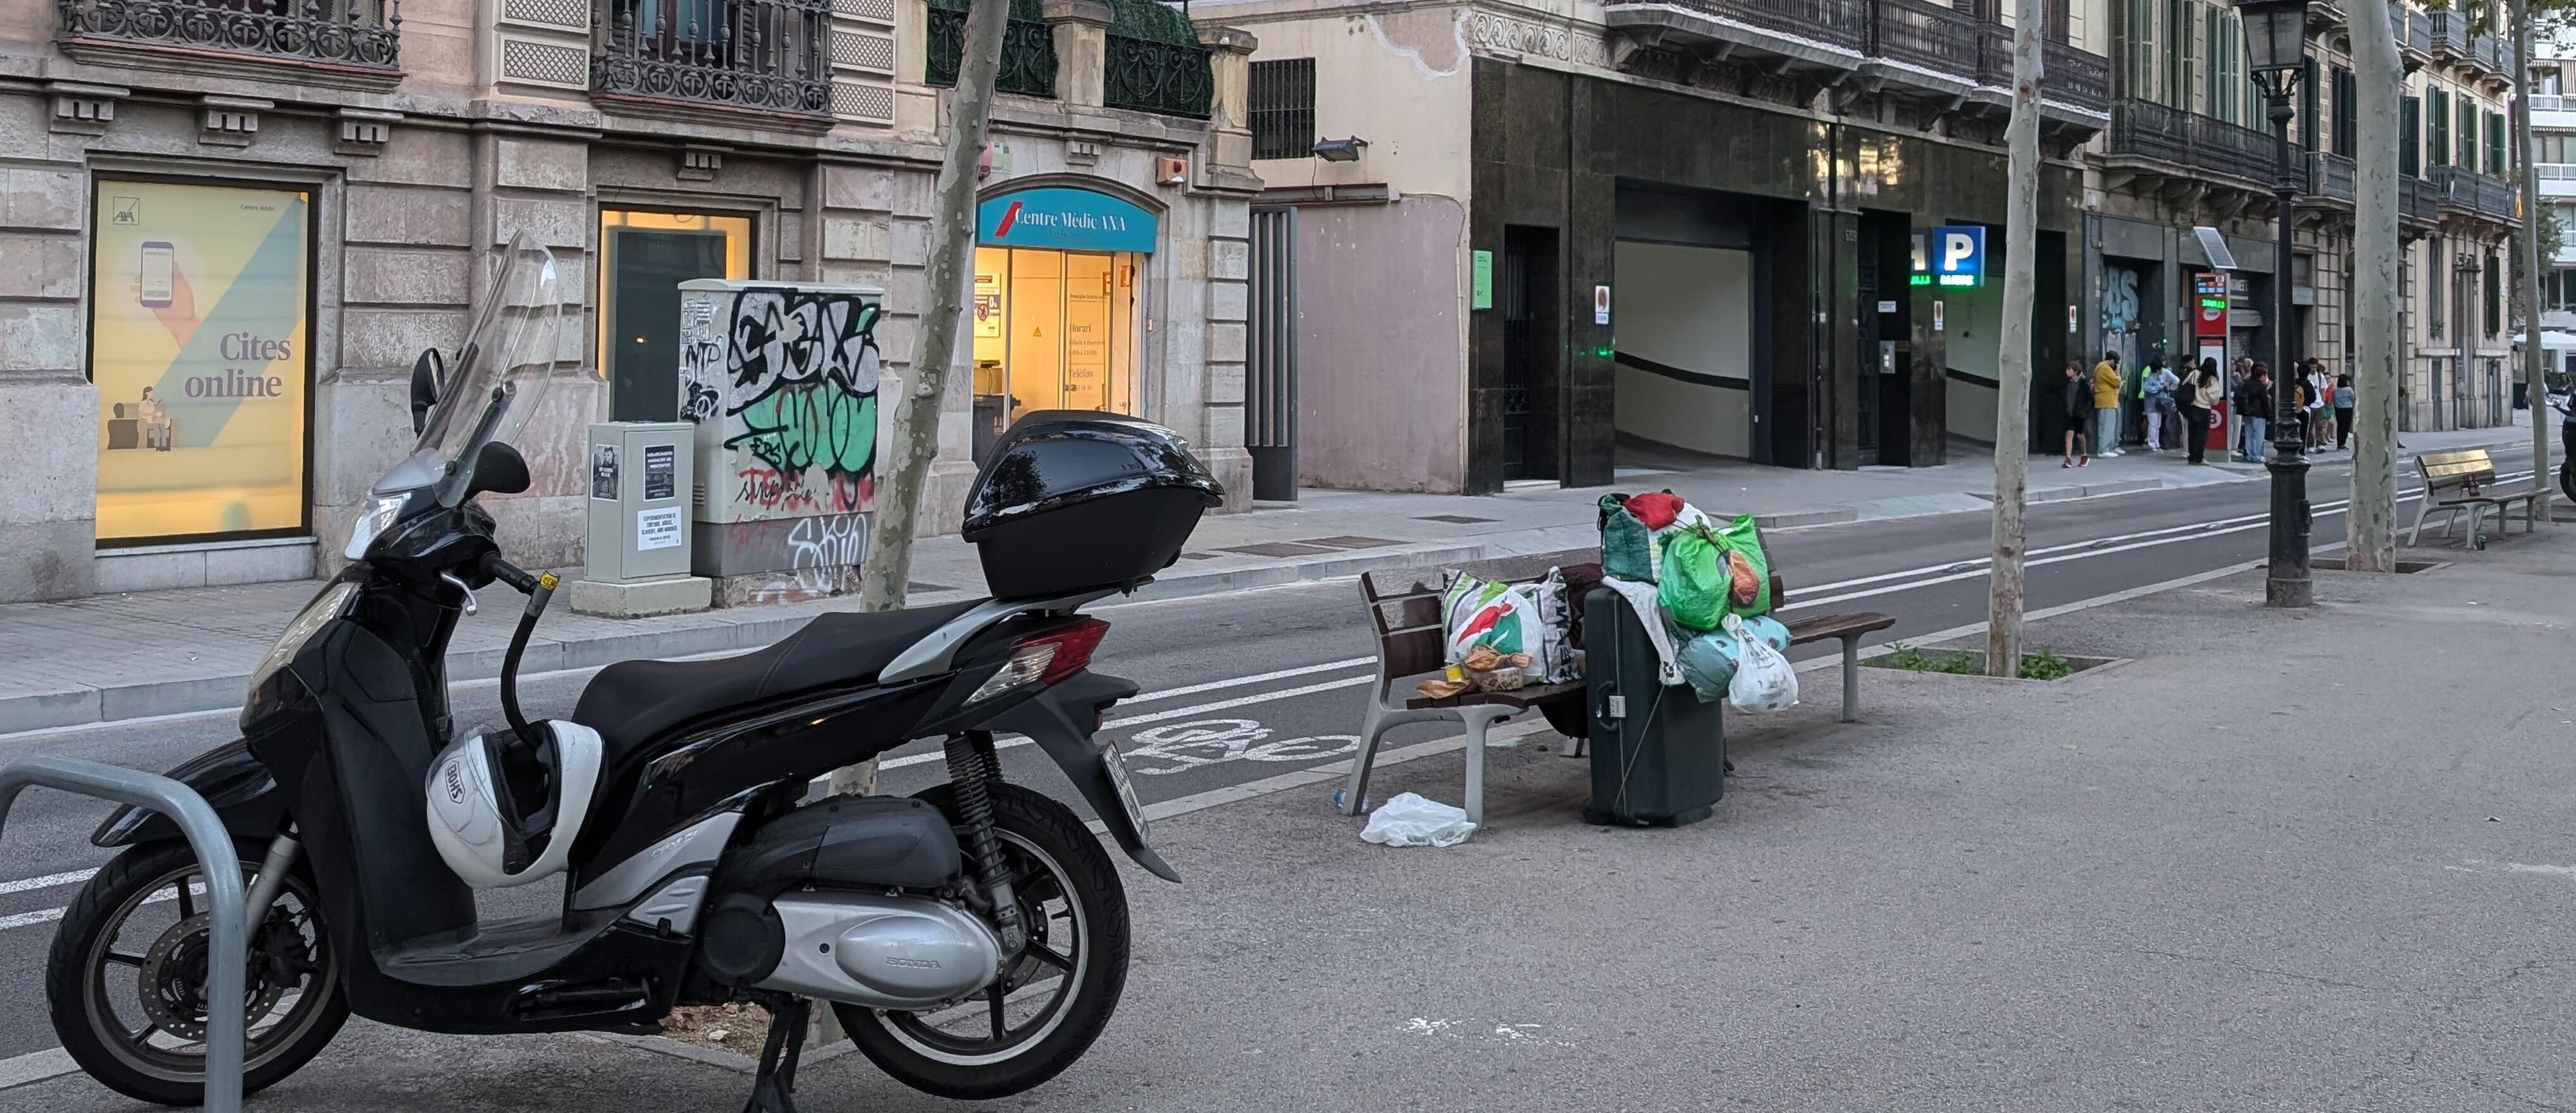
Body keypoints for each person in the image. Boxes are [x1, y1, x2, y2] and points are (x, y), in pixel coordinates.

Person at [2184, 357, 2222, 465]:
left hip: (2193, 406)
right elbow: (2214, 399)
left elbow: (2185, 385)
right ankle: (2198, 458)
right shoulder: (2211, 379)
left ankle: (2191, 457)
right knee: (2202, 435)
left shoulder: (2195, 373)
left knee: (2192, 434)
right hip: (2204, 409)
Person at [2141, 358, 2181, 452]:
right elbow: (2147, 388)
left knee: (2158, 424)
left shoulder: (2157, 377)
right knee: (2153, 424)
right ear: (2157, 369)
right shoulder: (2150, 378)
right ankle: (2152, 443)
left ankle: (2156, 442)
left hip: (2158, 404)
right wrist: (2159, 387)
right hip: (2151, 405)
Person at [2092, 350, 2124, 457]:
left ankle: (2109, 448)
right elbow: (2116, 381)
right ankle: (2103, 450)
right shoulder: (2105, 368)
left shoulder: (2100, 367)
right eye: (2116, 362)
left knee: (2109, 426)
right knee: (2106, 427)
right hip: (2106, 401)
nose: (2116, 365)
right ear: (2112, 360)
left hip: (2108, 401)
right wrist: (2118, 372)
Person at [2238, 362, 2273, 463]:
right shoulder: (2261, 387)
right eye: (2264, 375)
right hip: (2259, 413)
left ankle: (2250, 454)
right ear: (2261, 375)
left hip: (2247, 412)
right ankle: (2258, 455)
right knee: (2259, 435)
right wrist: (2270, 415)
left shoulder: (2246, 384)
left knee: (2249, 434)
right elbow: (2265, 401)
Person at [2062, 360, 2093, 467]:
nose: (2067, 371)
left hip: (2080, 413)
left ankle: (2084, 455)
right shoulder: (2068, 383)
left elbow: (2089, 399)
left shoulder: (2084, 383)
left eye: (2069, 369)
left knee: (2080, 434)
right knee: (2069, 434)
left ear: (2075, 371)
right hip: (2070, 412)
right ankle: (2068, 458)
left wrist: (2084, 411)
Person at [2334, 371, 2356, 450]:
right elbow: (2354, 398)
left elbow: (2333, 399)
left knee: (2340, 426)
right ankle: (2343, 443)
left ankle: (2339, 443)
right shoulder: (2349, 390)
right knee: (2346, 427)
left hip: (2338, 409)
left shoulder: (2335, 390)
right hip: (2347, 409)